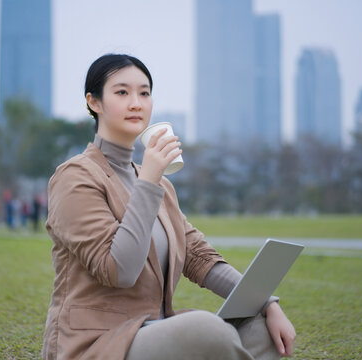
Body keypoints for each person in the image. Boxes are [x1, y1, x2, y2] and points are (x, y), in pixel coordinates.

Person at [42, 54, 296, 360]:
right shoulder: (75, 177)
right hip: (99, 344)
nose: (136, 103)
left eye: (144, 93)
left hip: (153, 331)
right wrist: (148, 180)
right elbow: (119, 270)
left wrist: (267, 302)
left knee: (261, 328)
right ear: (94, 102)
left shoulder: (160, 186)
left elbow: (199, 257)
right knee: (207, 329)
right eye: (122, 92)